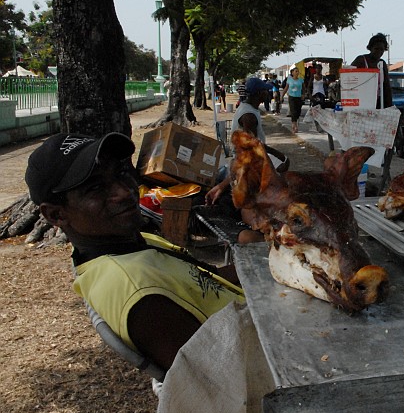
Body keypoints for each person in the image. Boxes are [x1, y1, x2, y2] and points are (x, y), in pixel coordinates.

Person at [24, 132, 248, 371]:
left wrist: (261, 264)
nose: (124, 192)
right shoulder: (137, 289)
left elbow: (203, 283)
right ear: (56, 215)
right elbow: (222, 376)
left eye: (120, 173)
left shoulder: (128, 244)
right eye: (96, 188)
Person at [351, 32, 393, 109]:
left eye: (382, 49)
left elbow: (386, 86)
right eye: (376, 49)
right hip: (361, 101)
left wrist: (389, 106)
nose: (379, 52)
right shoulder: (361, 60)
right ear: (370, 48)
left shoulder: (382, 63)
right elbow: (349, 78)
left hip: (378, 102)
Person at [281, 67, 305, 133]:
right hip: (292, 97)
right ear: (292, 73)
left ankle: (295, 122)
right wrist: (282, 96)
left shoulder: (301, 80)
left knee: (298, 112)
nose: (297, 73)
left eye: (298, 71)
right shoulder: (289, 80)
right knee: (293, 111)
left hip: (299, 97)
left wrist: (303, 95)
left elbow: (303, 88)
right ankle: (294, 125)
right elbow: (286, 88)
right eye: (296, 71)